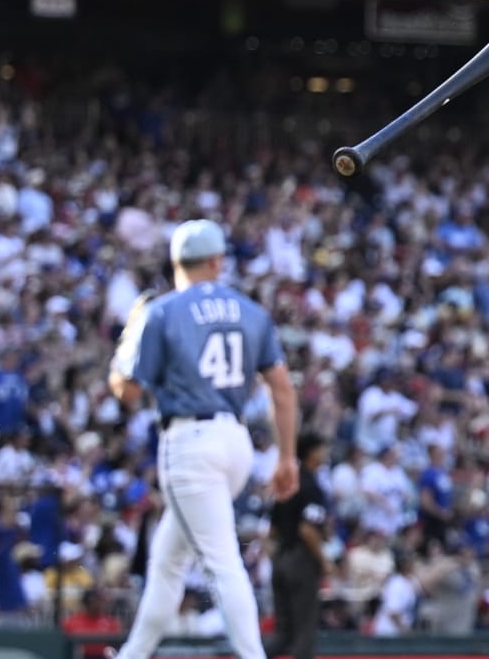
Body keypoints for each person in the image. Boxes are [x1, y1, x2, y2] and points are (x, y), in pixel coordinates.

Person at [109, 220, 299, 659]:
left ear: (176, 262)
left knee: (221, 562)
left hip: (191, 443)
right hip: (234, 442)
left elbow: (128, 391)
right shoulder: (250, 311)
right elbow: (283, 390)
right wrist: (287, 456)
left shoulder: (163, 311)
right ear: (217, 261)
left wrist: (125, 345)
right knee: (167, 563)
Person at [269, 432, 330, 659]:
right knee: (305, 633)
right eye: (322, 449)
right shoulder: (311, 485)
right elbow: (307, 530)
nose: (325, 453)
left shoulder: (287, 483)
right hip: (301, 560)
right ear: (312, 453)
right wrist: (324, 562)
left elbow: (272, 530)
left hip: (281, 557)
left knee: (283, 635)